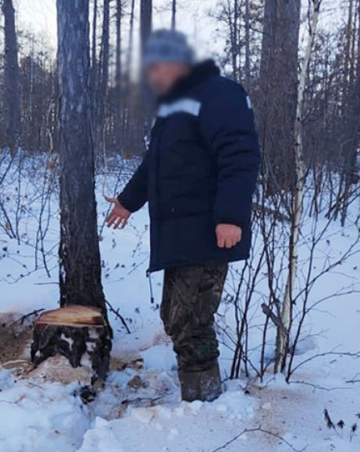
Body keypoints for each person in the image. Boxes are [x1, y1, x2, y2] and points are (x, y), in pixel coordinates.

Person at [105, 29, 261, 402]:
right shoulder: (174, 107)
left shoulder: (218, 93)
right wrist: (128, 201)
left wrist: (230, 217)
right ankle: (200, 393)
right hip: (181, 234)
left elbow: (240, 155)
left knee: (191, 323)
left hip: (208, 230)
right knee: (175, 317)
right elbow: (153, 166)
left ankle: (204, 405)